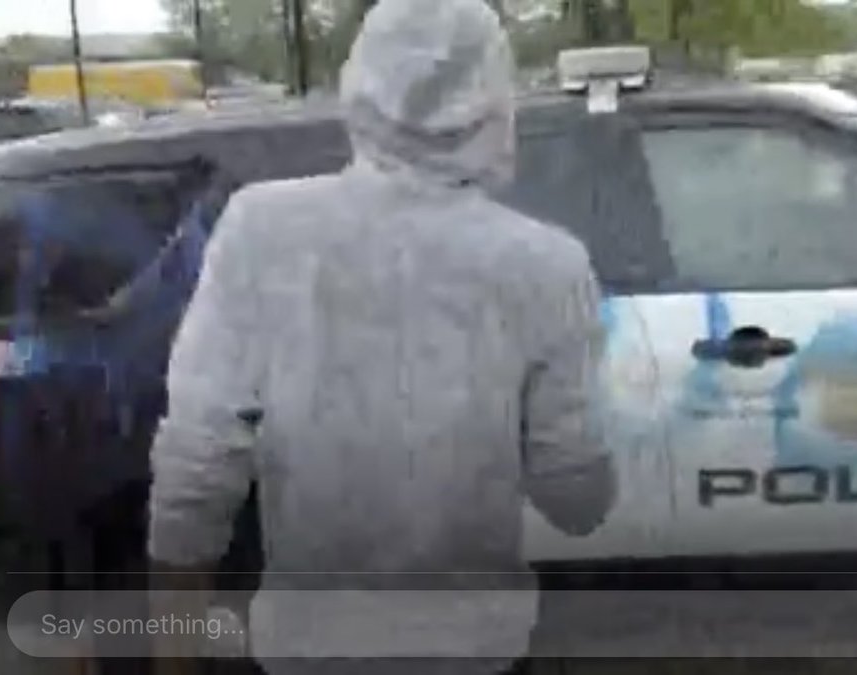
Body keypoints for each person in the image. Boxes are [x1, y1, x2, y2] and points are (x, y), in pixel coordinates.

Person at [146, 1, 617, 674]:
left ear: (358, 86)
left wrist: (174, 658)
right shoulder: (547, 264)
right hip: (475, 652)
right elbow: (578, 504)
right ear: (494, 100)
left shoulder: (261, 229)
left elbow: (196, 466)